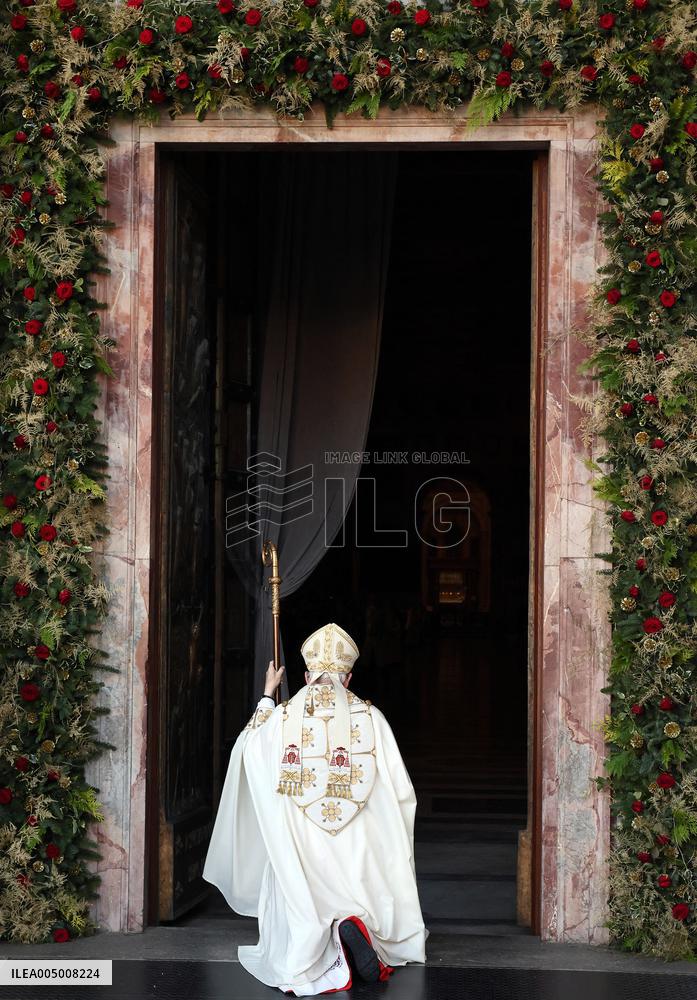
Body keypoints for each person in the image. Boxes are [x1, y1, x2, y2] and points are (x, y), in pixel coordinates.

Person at [203, 622, 427, 995]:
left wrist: (266, 697)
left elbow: (247, 748)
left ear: (307, 676)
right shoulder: (373, 718)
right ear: (349, 677)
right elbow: (402, 792)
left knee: (298, 889)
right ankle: (358, 930)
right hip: (356, 853)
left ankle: (326, 941)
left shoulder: (281, 717)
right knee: (369, 864)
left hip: (301, 851)